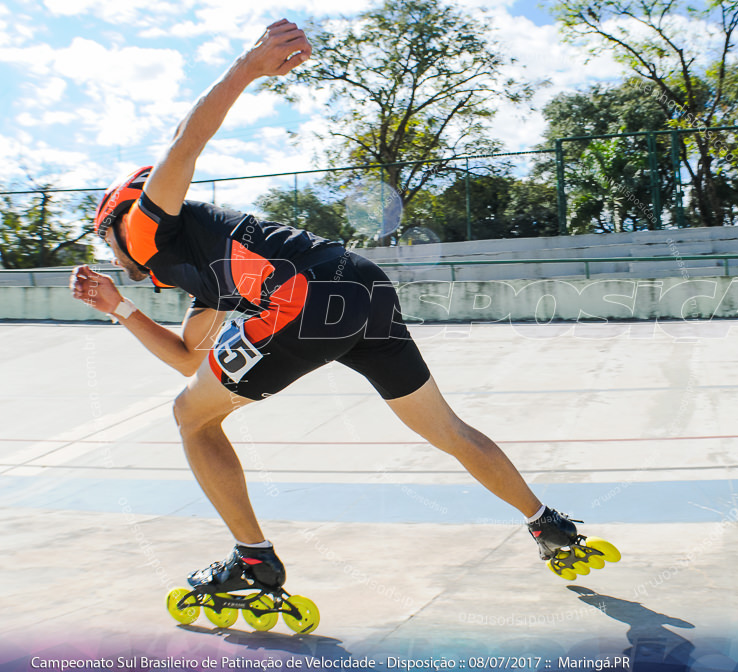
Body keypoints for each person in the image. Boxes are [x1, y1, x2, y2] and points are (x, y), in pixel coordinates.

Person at [70, 19, 585, 596]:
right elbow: (192, 361)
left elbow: (183, 143)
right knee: (445, 428)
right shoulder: (207, 275)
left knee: (191, 420)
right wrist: (119, 309)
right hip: (359, 284)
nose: (112, 258)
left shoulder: (144, 227)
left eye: (103, 241)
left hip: (302, 299)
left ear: (120, 217)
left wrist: (247, 67)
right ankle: (547, 523)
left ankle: (254, 559)